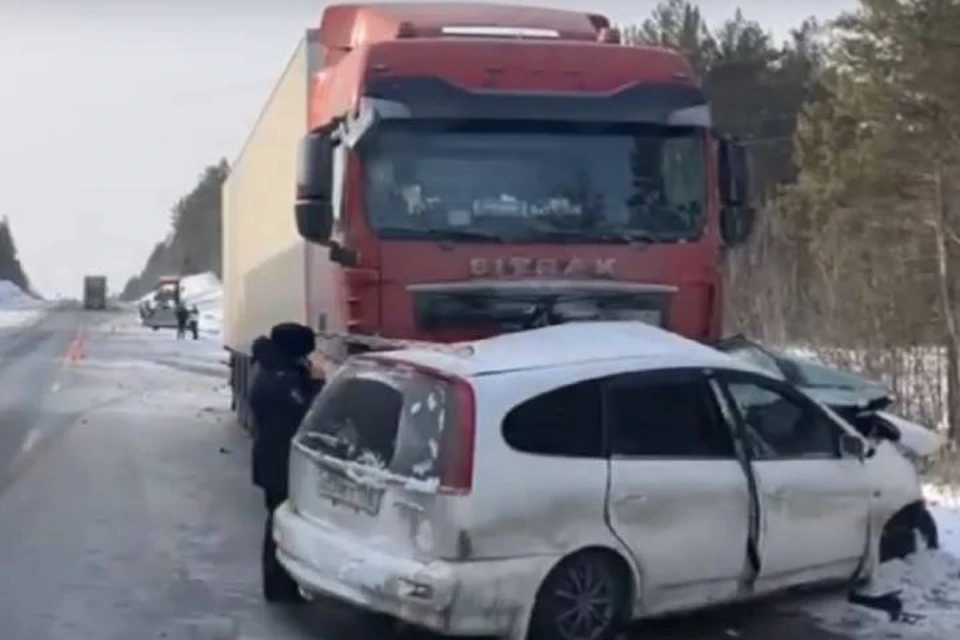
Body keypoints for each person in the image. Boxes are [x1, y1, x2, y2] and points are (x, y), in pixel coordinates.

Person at [249, 322, 323, 603]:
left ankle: (281, 584)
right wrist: (316, 383)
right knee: (279, 520)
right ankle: (278, 586)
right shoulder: (279, 379)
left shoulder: (272, 367)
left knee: (279, 518)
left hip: (273, 457)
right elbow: (305, 411)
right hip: (279, 461)